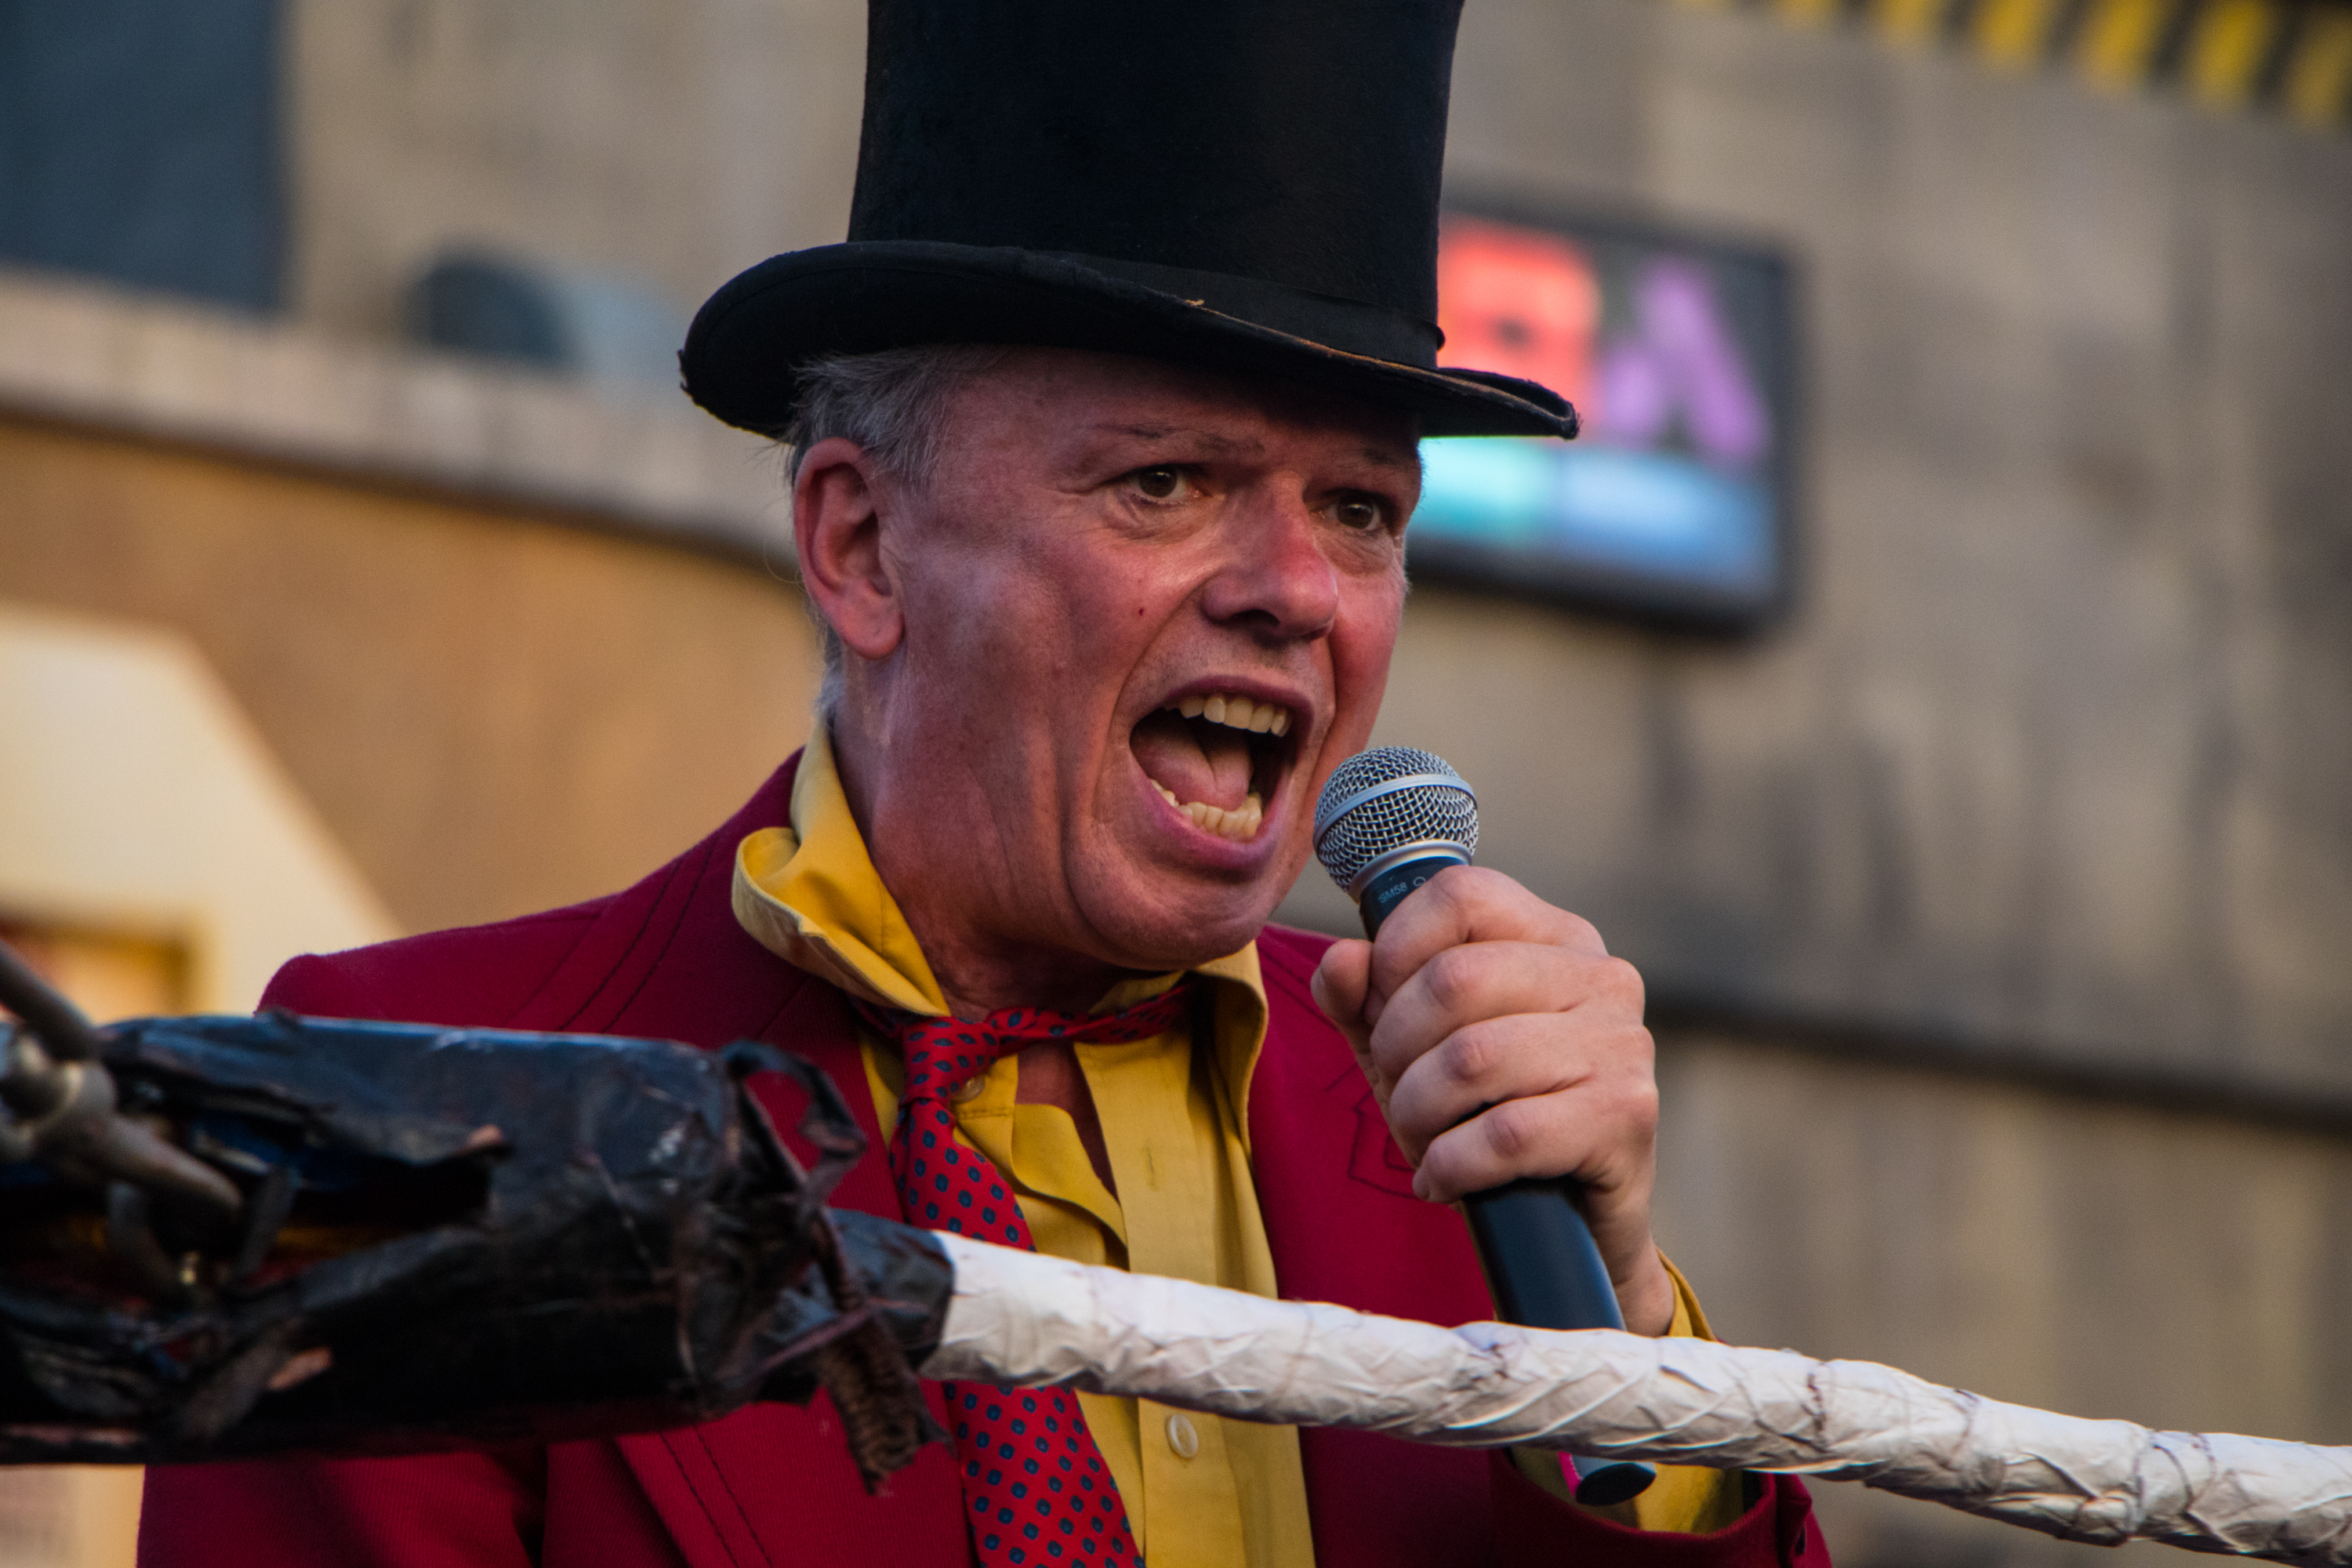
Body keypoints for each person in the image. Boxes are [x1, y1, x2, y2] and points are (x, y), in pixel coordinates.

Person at [143, 2, 1828, 1564]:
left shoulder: (1477, 1147)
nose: (1298, 590)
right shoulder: (418, 1111)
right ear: (863, 544)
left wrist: (1619, 1323)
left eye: (1360, 511)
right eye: (1166, 481)